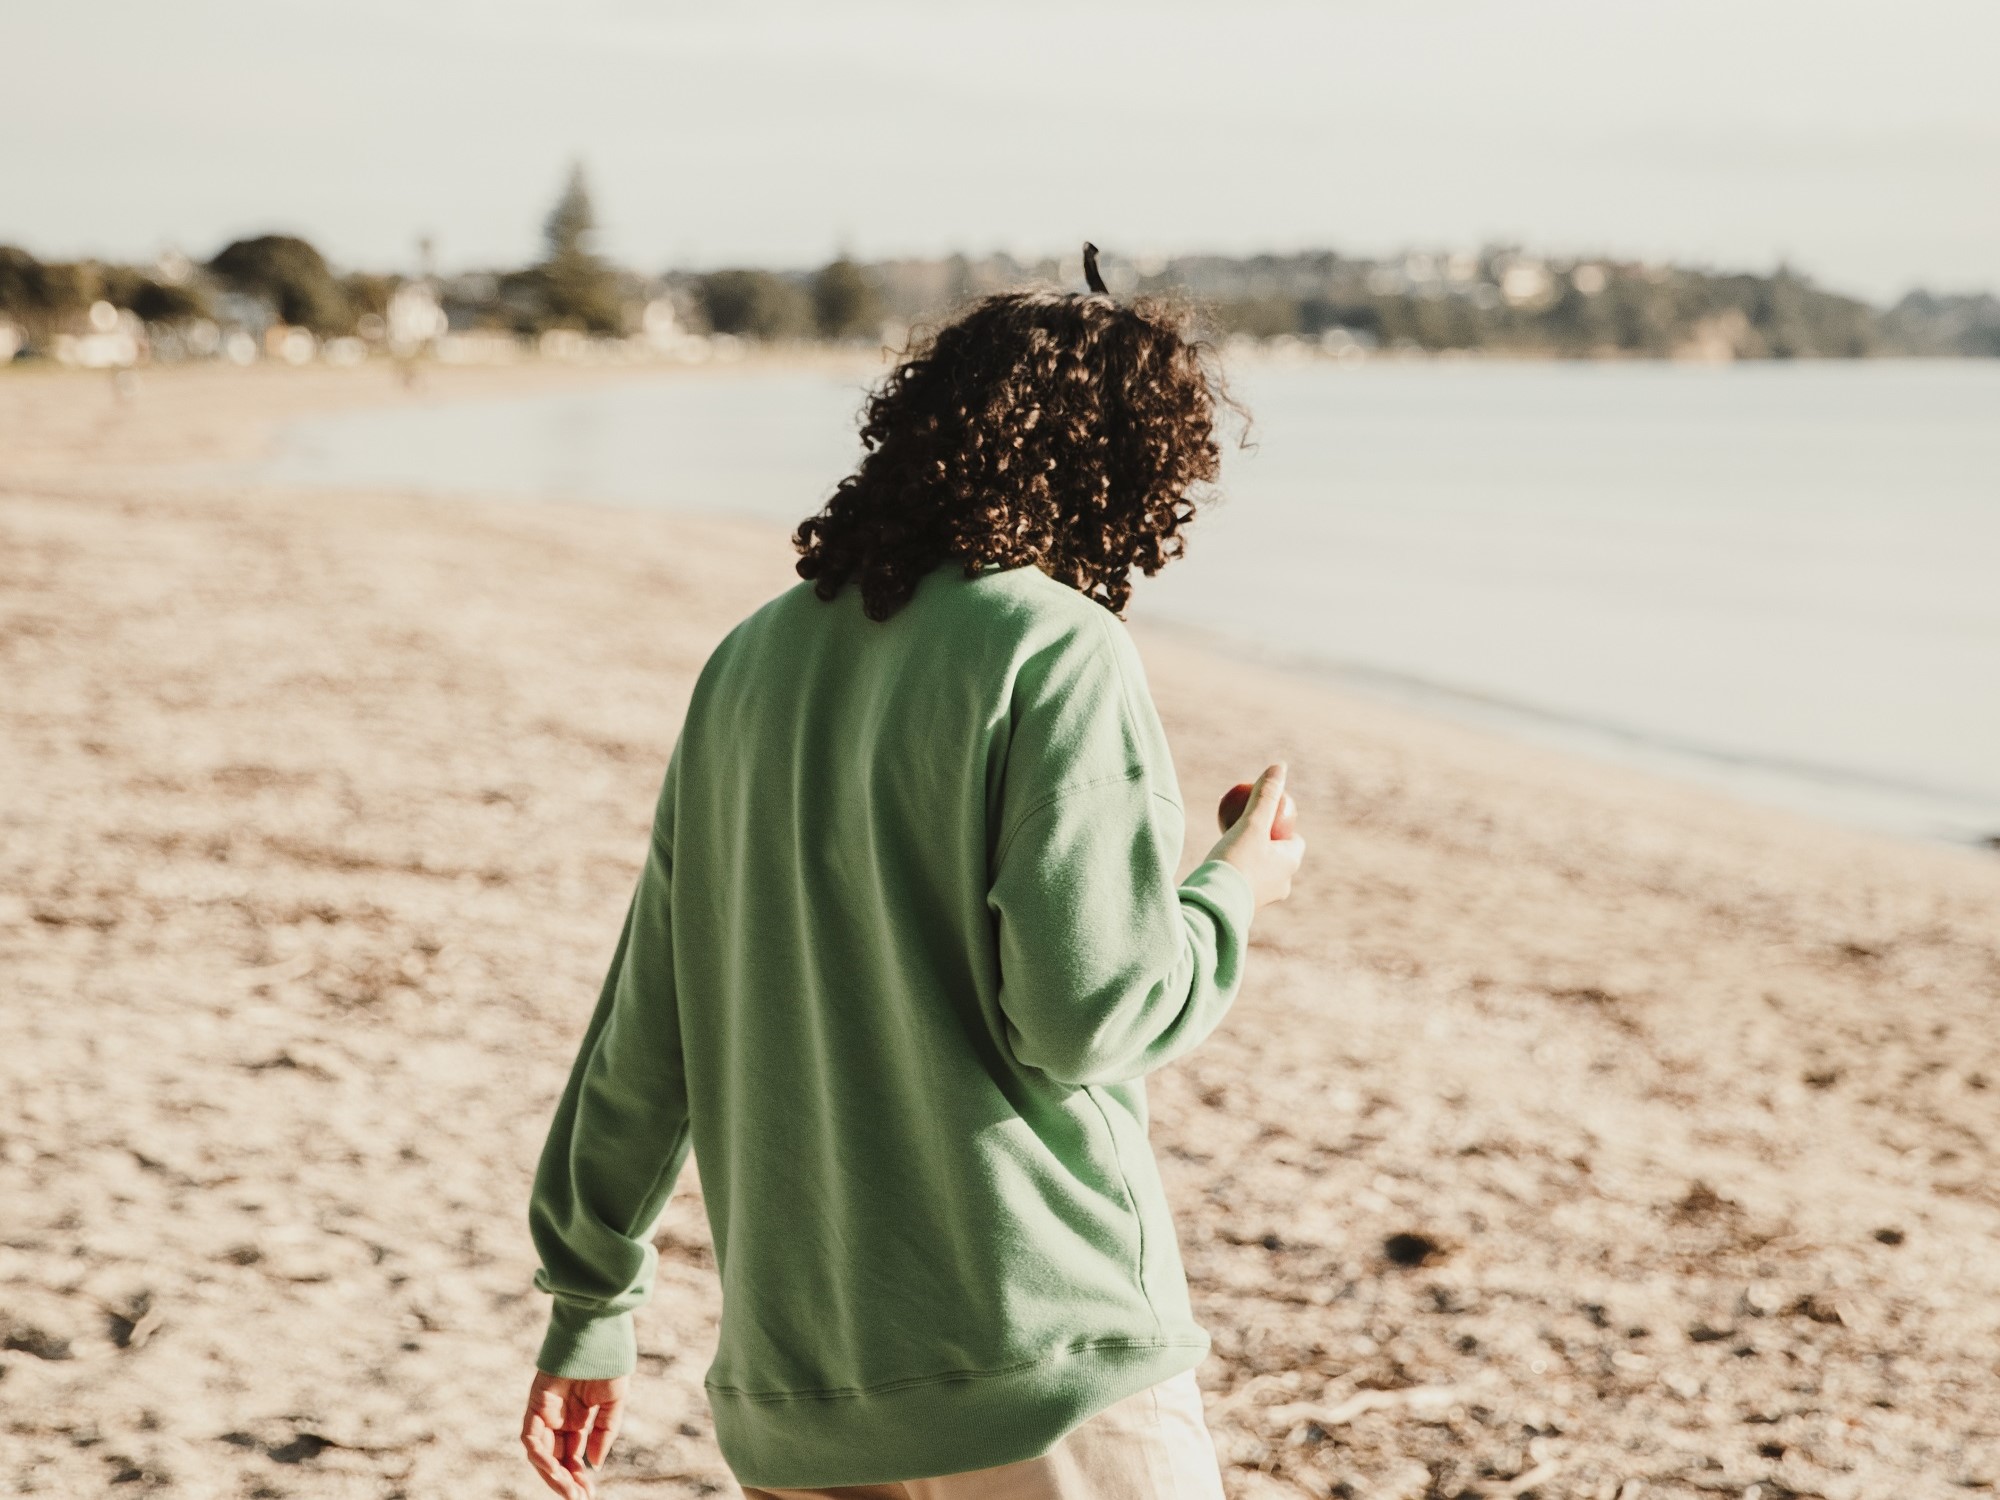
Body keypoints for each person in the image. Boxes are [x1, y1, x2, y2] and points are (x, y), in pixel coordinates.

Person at [520, 280, 1307, 1500]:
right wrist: (1232, 891)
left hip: (801, 1384)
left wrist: (589, 1304)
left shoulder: (747, 661)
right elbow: (1087, 1015)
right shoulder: (1056, 650)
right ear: (1126, 473)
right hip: (1037, 1357)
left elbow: (647, 1026)